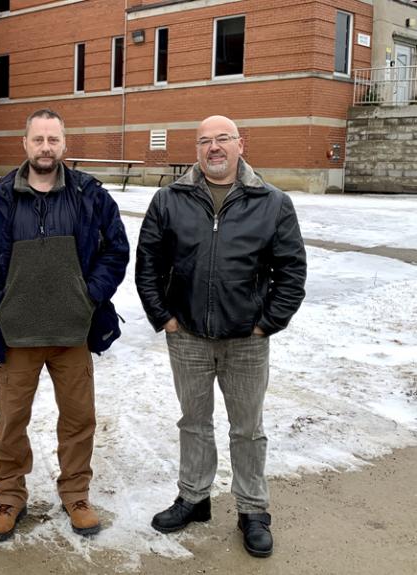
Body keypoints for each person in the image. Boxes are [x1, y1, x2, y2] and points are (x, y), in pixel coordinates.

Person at [135, 115, 307, 558]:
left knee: (248, 429)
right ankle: (194, 498)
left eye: (223, 139)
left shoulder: (272, 202)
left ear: (240, 144)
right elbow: (148, 266)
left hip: (247, 341)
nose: (214, 147)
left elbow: (291, 272)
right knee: (193, 423)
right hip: (188, 335)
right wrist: (165, 319)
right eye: (205, 141)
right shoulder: (168, 201)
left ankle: (253, 510)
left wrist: (266, 323)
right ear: (196, 149)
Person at [0, 108, 129, 542]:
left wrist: (89, 295)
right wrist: (1, 303)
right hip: (16, 336)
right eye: (39, 140)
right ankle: (9, 497)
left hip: (73, 334)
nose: (46, 148)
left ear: (64, 144)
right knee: (11, 420)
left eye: (53, 140)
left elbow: (116, 250)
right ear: (25, 144)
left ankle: (76, 494)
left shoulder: (90, 196)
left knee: (78, 419)